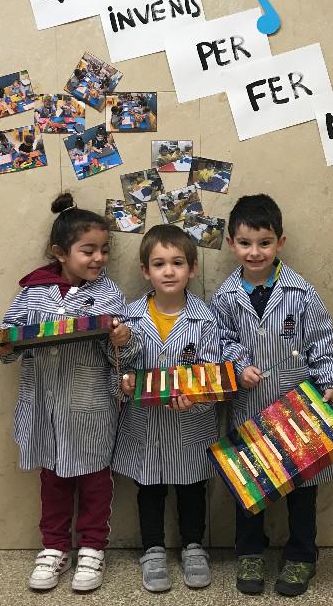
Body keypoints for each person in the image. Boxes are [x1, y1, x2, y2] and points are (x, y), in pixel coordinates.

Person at [0, 193, 141, 593]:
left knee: (95, 478)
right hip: (44, 404)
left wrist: (123, 339)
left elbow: (124, 353)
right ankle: (54, 547)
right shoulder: (32, 292)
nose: (98, 258)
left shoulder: (108, 295)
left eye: (104, 250)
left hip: (89, 405)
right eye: (88, 250)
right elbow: (6, 336)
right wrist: (3, 346)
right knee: (53, 477)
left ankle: (92, 547)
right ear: (60, 252)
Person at [209, 194, 333, 597]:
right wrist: (238, 365)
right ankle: (250, 552)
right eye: (245, 243)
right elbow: (220, 341)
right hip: (250, 404)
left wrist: (329, 383)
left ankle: (302, 554)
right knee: (249, 483)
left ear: (280, 242)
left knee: (302, 487)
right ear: (231, 243)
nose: (255, 252)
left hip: (297, 404)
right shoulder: (224, 297)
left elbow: (321, 342)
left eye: (264, 242)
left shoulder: (301, 293)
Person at [114, 225, 246, 593]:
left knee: (192, 486)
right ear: (145, 271)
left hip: (191, 422)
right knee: (149, 487)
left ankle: (194, 546)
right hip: (144, 424)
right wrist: (124, 382)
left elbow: (213, 370)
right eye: (159, 264)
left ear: (192, 268)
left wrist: (197, 393)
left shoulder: (206, 319)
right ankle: (152, 549)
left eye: (177, 263)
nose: (169, 271)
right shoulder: (129, 318)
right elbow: (117, 363)